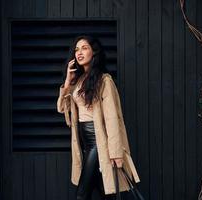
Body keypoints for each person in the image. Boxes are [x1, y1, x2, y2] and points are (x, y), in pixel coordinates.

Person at [57, 35, 140, 200]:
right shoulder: (79, 80)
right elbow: (61, 108)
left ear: (94, 52)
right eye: (76, 50)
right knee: (104, 192)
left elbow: (112, 118)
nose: (79, 53)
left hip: (98, 142)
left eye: (84, 48)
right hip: (84, 143)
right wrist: (67, 83)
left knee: (82, 194)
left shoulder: (104, 81)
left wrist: (116, 152)